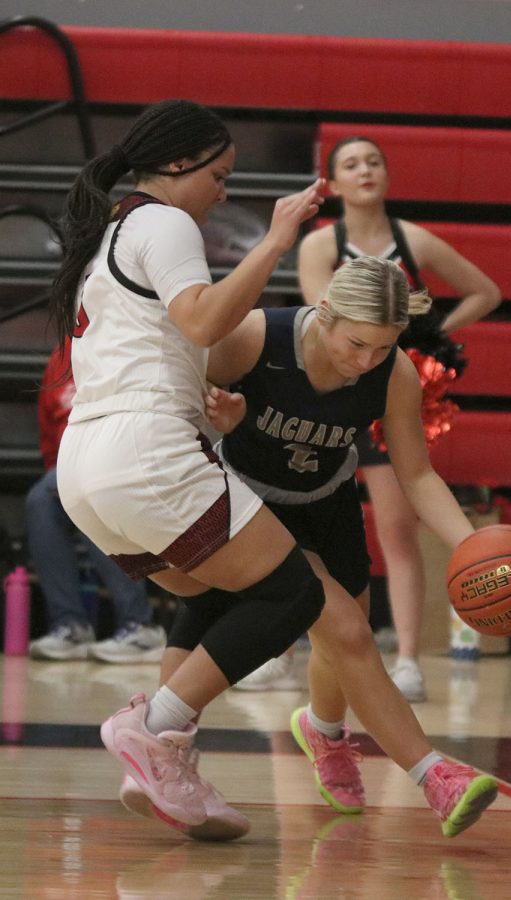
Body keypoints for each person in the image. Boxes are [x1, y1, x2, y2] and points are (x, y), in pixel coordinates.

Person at [121, 256, 499, 839]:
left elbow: (417, 476)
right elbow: (173, 406)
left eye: (383, 347)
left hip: (325, 500)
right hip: (244, 499)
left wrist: (473, 547)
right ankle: (433, 776)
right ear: (324, 314)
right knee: (329, 627)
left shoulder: (393, 372)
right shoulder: (255, 336)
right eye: (358, 343)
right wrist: (224, 420)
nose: (367, 360)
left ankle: (322, 730)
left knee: (347, 632)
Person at [49, 98, 328, 841]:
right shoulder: (164, 221)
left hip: (86, 464)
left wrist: (212, 418)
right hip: (142, 452)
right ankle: (154, 729)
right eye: (219, 176)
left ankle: (165, 753)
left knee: (212, 589)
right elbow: (204, 320)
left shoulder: (110, 230)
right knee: (292, 593)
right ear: (178, 164)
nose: (222, 193)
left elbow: (157, 347)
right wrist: (275, 240)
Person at [287, 134, 502, 702]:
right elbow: (318, 318)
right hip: (329, 395)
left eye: (374, 161)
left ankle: (407, 659)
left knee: (396, 528)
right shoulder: (319, 243)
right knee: (292, 522)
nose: (366, 170)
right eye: (351, 163)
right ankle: (279, 649)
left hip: (384, 398)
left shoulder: (414, 240)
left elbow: (486, 291)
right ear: (332, 184)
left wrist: (431, 334)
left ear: (387, 174)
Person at [27, 341, 166, 663]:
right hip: (70, 468)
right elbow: (49, 435)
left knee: (91, 490)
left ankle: (140, 625)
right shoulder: (59, 357)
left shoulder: (128, 344)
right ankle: (70, 625)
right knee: (41, 501)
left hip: (127, 460)